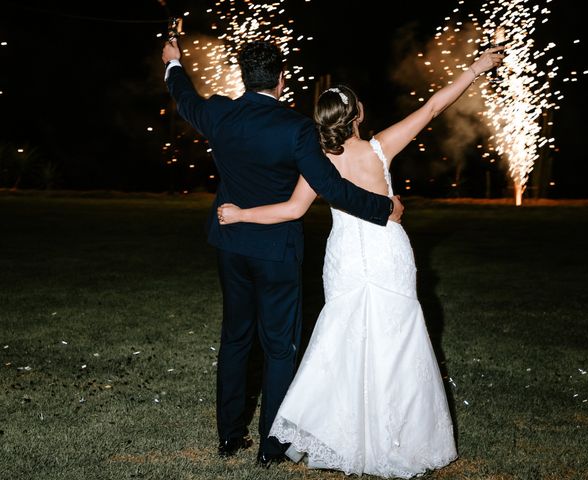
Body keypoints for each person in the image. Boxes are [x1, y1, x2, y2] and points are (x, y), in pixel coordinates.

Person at [216, 47, 505, 477]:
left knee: (343, 337)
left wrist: (240, 214)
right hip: (388, 252)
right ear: (358, 114)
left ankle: (339, 434)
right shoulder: (381, 147)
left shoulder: (318, 161)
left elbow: (292, 211)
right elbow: (433, 106)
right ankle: (400, 437)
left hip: (346, 257)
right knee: (397, 338)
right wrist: (477, 69)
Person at [161, 39, 404, 467]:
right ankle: (271, 449)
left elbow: (183, 98)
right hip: (276, 251)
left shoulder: (219, 114)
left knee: (235, 338)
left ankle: (228, 438)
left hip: (231, 244)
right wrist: (383, 208)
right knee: (279, 347)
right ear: (281, 79)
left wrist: (174, 63)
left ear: (243, 77)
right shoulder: (295, 129)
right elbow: (330, 187)